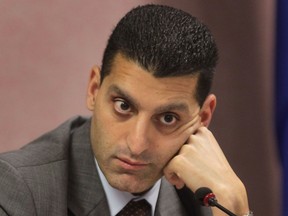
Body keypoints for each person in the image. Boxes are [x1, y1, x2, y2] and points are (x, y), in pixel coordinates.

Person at [0, 4, 252, 216]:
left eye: (167, 118)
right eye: (123, 106)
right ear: (94, 89)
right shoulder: (18, 190)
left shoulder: (209, 199)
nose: (137, 144)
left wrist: (234, 209)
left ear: (203, 116)